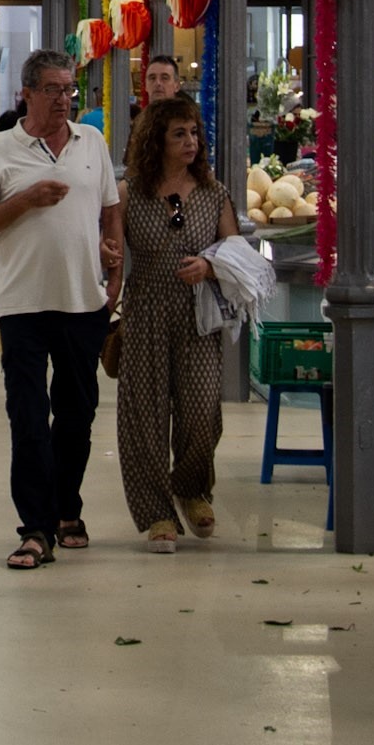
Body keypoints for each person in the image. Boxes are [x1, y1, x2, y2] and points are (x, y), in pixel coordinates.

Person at [0, 49, 123, 571]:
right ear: (26, 93)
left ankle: (66, 510)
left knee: (76, 416)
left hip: (83, 303)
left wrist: (114, 267)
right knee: (28, 418)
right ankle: (34, 528)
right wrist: (24, 200)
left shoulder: (91, 142)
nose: (63, 99)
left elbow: (109, 212)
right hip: (22, 307)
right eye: (52, 89)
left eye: (69, 89)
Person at [117, 100, 239, 552]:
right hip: (147, 306)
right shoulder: (131, 191)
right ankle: (156, 512)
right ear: (156, 142)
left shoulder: (213, 192)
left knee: (202, 406)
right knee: (144, 414)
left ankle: (191, 487)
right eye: (179, 135)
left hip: (198, 312)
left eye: (194, 133)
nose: (191, 142)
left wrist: (209, 265)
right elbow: (108, 246)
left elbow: (235, 252)